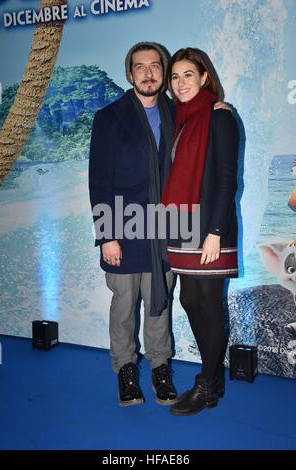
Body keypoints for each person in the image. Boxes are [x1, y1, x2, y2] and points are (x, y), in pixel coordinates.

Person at [89, 42, 229, 408]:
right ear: (130, 73)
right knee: (124, 304)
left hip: (166, 230)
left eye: (155, 67)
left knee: (160, 303)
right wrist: (107, 236)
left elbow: (206, 134)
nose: (148, 73)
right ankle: (124, 369)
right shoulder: (109, 117)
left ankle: (160, 367)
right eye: (140, 67)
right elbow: (98, 181)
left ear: (163, 74)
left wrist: (218, 108)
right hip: (125, 228)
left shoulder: (177, 111)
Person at [161, 48, 240, 416]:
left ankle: (206, 385)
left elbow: (226, 180)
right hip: (181, 225)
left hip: (210, 227)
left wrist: (216, 231)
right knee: (190, 301)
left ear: (204, 76)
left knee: (208, 303)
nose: (180, 83)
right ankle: (216, 377)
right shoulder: (179, 118)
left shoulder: (219, 116)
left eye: (188, 75)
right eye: (175, 77)